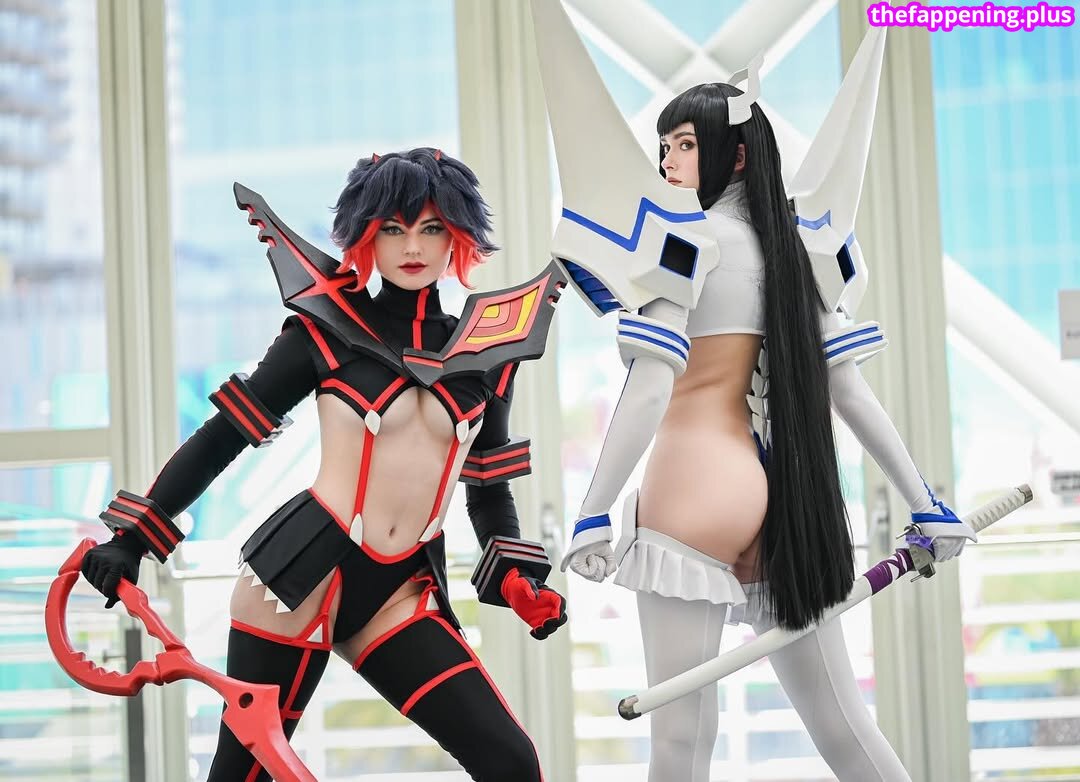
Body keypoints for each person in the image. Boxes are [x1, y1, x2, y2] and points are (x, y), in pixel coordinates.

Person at [549, 39, 976, 782]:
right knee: (843, 726)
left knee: (681, 739)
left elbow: (650, 388)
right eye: (664, 145)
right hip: (776, 495)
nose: (668, 160)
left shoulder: (684, 242)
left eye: (686, 144)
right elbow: (848, 390)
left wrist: (592, 512)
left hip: (690, 489)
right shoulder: (800, 250)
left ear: (736, 155)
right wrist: (926, 504)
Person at [79, 147, 566, 781]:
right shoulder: (326, 330)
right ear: (366, 237)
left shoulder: (488, 352)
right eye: (392, 229)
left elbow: (488, 489)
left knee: (510, 762)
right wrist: (133, 538)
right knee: (244, 773)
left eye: (430, 228)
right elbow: (224, 436)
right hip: (298, 575)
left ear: (457, 237)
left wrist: (515, 577)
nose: (411, 246)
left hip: (401, 587)